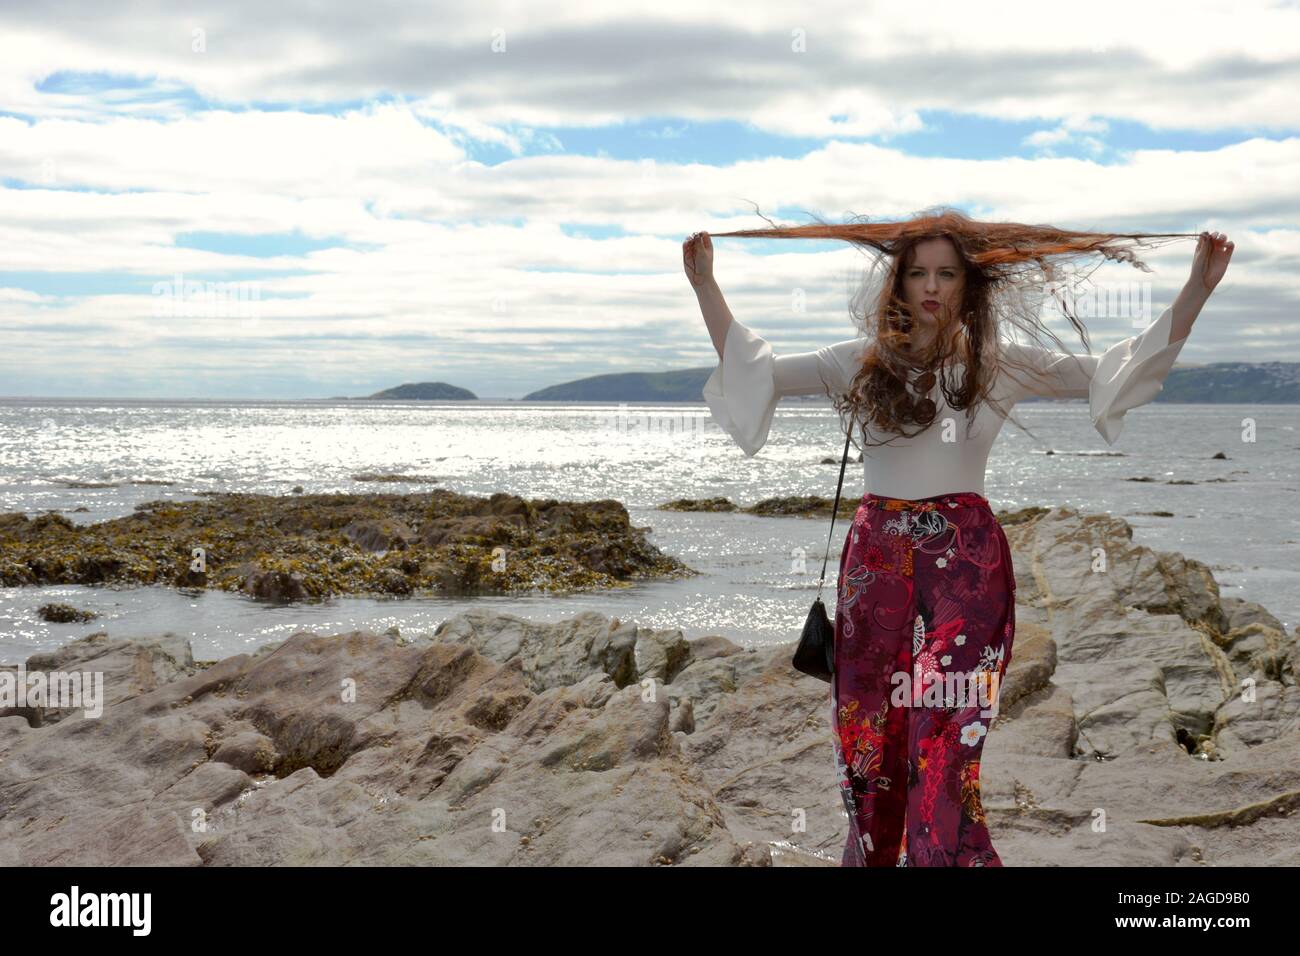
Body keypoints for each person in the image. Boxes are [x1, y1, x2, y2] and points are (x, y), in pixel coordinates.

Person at [683, 209, 1233, 866]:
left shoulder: (999, 366)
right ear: (899, 284)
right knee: (867, 734)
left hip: (965, 564)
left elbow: (1117, 371)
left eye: (946, 273)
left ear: (968, 286)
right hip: (876, 560)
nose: (932, 286)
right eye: (917, 273)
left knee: (945, 733)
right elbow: (756, 370)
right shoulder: (858, 362)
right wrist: (704, 286)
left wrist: (1198, 289)